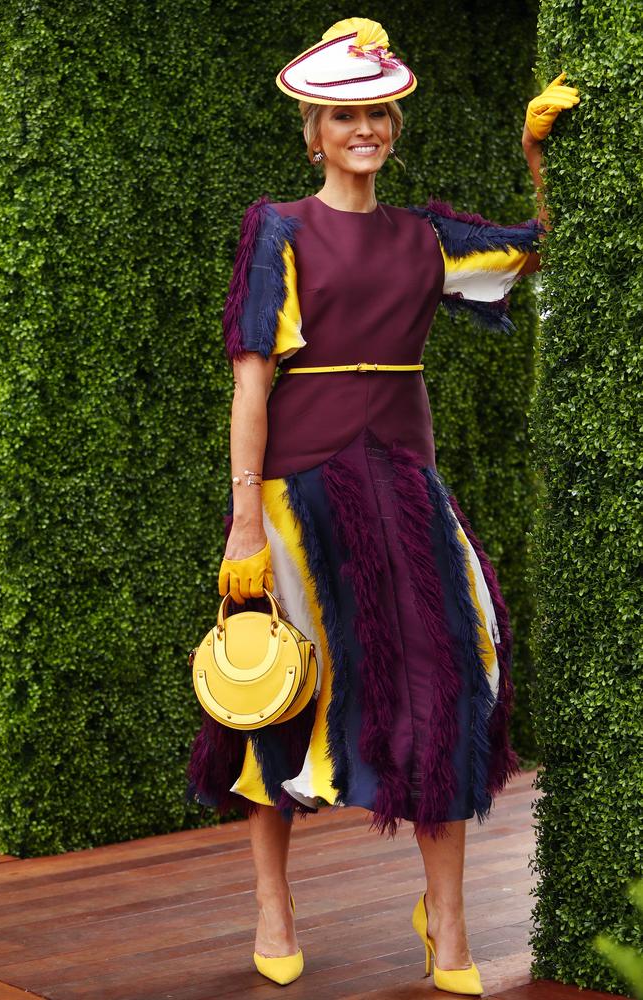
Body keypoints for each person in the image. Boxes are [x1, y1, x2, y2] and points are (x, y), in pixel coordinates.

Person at [187, 16, 579, 992]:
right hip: (293, 499)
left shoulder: (424, 237)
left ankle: (445, 924)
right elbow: (248, 384)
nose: (362, 128)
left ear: (394, 126)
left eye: (376, 113)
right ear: (312, 133)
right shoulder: (276, 227)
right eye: (342, 114)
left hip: (404, 493)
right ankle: (273, 903)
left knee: (446, 686)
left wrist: (539, 158)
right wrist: (242, 521)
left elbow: (538, 251)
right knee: (275, 695)